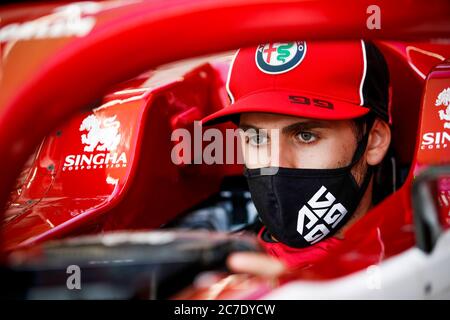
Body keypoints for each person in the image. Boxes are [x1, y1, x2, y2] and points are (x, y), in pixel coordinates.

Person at [202, 40, 392, 277]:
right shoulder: (215, 266)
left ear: (374, 141)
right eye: (258, 139)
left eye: (305, 135)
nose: (276, 163)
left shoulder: (420, 260)